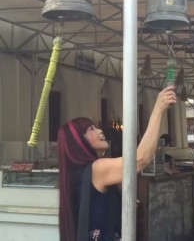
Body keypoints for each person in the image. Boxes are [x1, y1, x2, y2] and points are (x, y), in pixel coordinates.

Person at [57, 85, 176, 241]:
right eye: (91, 129)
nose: (100, 131)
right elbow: (140, 159)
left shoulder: (76, 172)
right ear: (78, 141)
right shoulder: (97, 169)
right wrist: (158, 109)